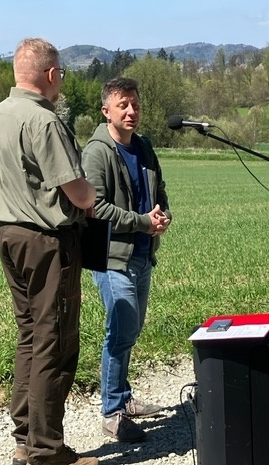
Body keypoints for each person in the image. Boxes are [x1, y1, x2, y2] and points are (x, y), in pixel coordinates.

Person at [0, 37, 100, 465]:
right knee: (54, 340)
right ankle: (47, 451)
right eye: (61, 75)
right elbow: (77, 190)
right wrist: (91, 196)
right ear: (51, 75)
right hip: (47, 241)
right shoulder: (43, 121)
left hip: (9, 234)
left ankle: (24, 439)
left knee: (30, 336)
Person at [82, 77, 172, 443]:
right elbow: (94, 207)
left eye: (135, 104)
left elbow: (159, 191)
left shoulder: (145, 147)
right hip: (111, 257)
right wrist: (141, 222)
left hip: (142, 253)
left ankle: (124, 398)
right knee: (120, 332)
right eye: (123, 105)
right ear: (107, 111)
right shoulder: (97, 152)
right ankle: (113, 413)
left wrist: (163, 215)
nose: (132, 111)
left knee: (131, 330)